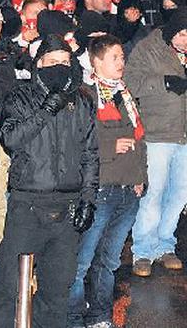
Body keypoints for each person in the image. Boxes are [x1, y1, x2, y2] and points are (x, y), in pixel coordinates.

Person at [0, 34, 100, 328]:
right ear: (39, 65)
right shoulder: (21, 96)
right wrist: (45, 111)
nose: (59, 67)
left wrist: (88, 198)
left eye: (65, 61)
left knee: (57, 288)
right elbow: (10, 139)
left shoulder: (82, 100)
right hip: (28, 204)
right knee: (7, 284)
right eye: (52, 61)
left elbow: (90, 154)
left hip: (67, 206)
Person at [68, 35, 147, 327]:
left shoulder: (125, 95)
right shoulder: (85, 95)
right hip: (99, 189)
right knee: (82, 261)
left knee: (110, 261)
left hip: (128, 190)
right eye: (115, 57)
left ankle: (100, 316)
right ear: (96, 61)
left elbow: (141, 140)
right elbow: (76, 141)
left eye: (122, 57)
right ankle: (74, 317)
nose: (121, 63)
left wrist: (141, 177)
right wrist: (111, 146)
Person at [124, 11, 187, 277]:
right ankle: (143, 250)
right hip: (157, 134)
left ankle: (164, 244)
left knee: (179, 195)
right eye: (183, 34)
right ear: (172, 31)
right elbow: (130, 81)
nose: (186, 41)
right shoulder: (149, 47)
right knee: (154, 194)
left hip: (184, 135)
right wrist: (162, 82)